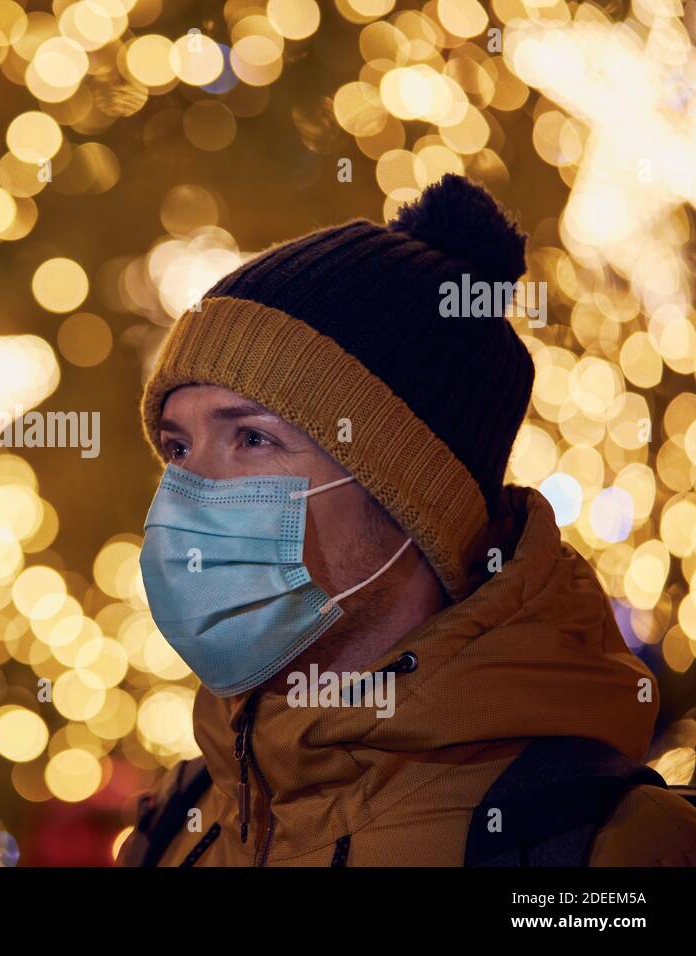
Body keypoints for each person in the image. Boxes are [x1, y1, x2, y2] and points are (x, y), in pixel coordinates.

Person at [118, 175, 696, 866]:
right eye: (179, 447)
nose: (187, 489)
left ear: (410, 501)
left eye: (252, 439)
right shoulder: (180, 823)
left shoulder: (605, 849)